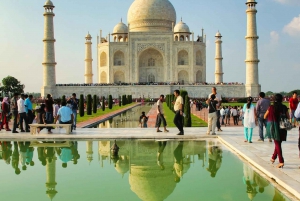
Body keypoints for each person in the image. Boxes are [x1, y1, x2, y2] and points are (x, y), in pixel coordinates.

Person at [264, 94, 289, 168]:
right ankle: (273, 157)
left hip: (275, 127)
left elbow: (265, 116)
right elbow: (288, 116)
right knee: (278, 143)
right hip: (282, 127)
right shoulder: (284, 107)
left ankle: (281, 161)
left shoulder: (271, 107)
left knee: (277, 144)